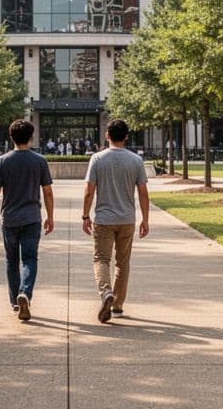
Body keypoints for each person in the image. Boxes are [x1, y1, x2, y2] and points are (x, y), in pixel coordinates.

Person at [82, 118, 149, 324]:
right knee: (123, 262)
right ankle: (117, 305)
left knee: (101, 259)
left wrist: (85, 215)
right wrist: (145, 219)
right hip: (127, 219)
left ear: (107, 135)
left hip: (103, 218)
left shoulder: (97, 159)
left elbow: (89, 190)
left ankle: (105, 293)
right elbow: (143, 192)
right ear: (126, 136)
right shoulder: (136, 160)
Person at [0, 119, 54, 322]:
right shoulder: (39, 161)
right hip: (32, 217)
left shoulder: (2, 161)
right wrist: (50, 216)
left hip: (10, 218)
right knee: (30, 259)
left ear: (11, 137)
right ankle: (25, 292)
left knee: (11, 260)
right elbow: (48, 192)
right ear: (31, 137)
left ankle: (16, 302)